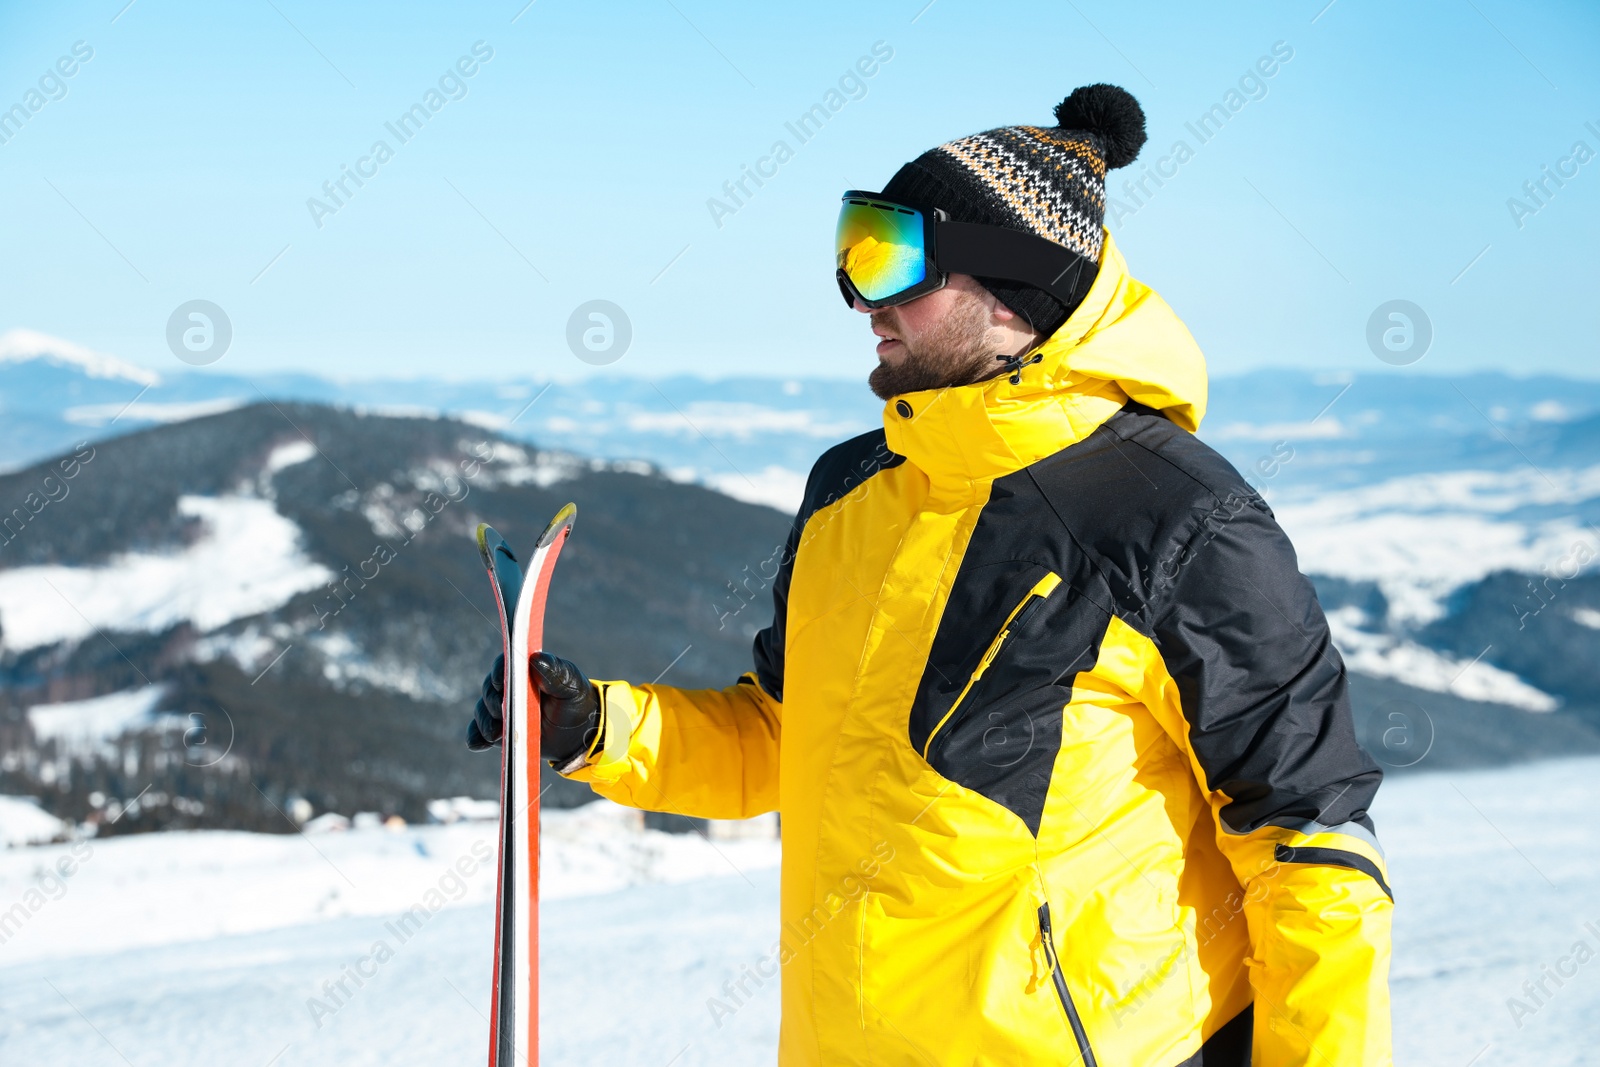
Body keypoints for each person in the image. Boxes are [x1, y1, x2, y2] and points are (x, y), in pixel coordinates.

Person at [467, 84, 1393, 1066]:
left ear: (1009, 292)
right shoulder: (849, 490)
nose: (861, 300)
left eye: (892, 259)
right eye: (851, 251)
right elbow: (787, 738)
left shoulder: (1174, 519)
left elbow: (1312, 851)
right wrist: (599, 728)